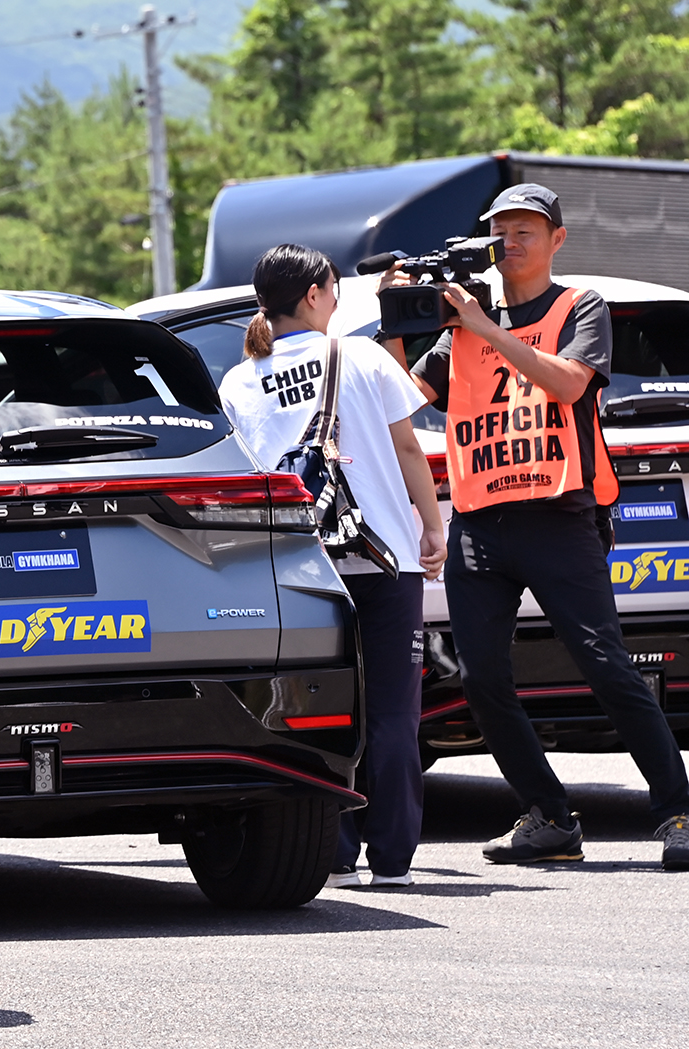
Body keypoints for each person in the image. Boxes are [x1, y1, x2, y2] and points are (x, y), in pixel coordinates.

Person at [385, 183, 689, 870]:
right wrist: (395, 319)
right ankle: (549, 817)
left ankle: (677, 808)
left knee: (606, 667)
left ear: (557, 239)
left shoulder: (578, 307)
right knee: (481, 680)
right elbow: (402, 399)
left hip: (558, 515)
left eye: (527, 230)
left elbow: (570, 384)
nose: (512, 242)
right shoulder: (461, 326)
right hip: (482, 523)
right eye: (502, 231)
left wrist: (483, 329)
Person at [220, 244, 446, 889]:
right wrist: (431, 526)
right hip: (384, 559)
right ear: (316, 295)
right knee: (394, 713)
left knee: (315, 712)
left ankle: (334, 853)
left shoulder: (241, 380)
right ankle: (394, 858)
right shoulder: (365, 356)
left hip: (298, 569)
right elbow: (407, 447)